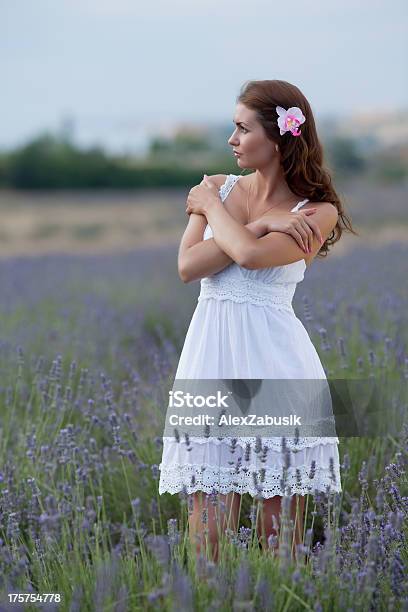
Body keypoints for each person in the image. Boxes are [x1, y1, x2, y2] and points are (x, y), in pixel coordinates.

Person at [158, 79, 357, 563]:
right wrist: (260, 221)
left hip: (279, 365)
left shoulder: (317, 212)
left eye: (242, 129)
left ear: (277, 138)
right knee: (206, 538)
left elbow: (247, 256)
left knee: (279, 536)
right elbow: (189, 268)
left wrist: (218, 217)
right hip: (210, 361)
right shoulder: (216, 190)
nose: (232, 140)